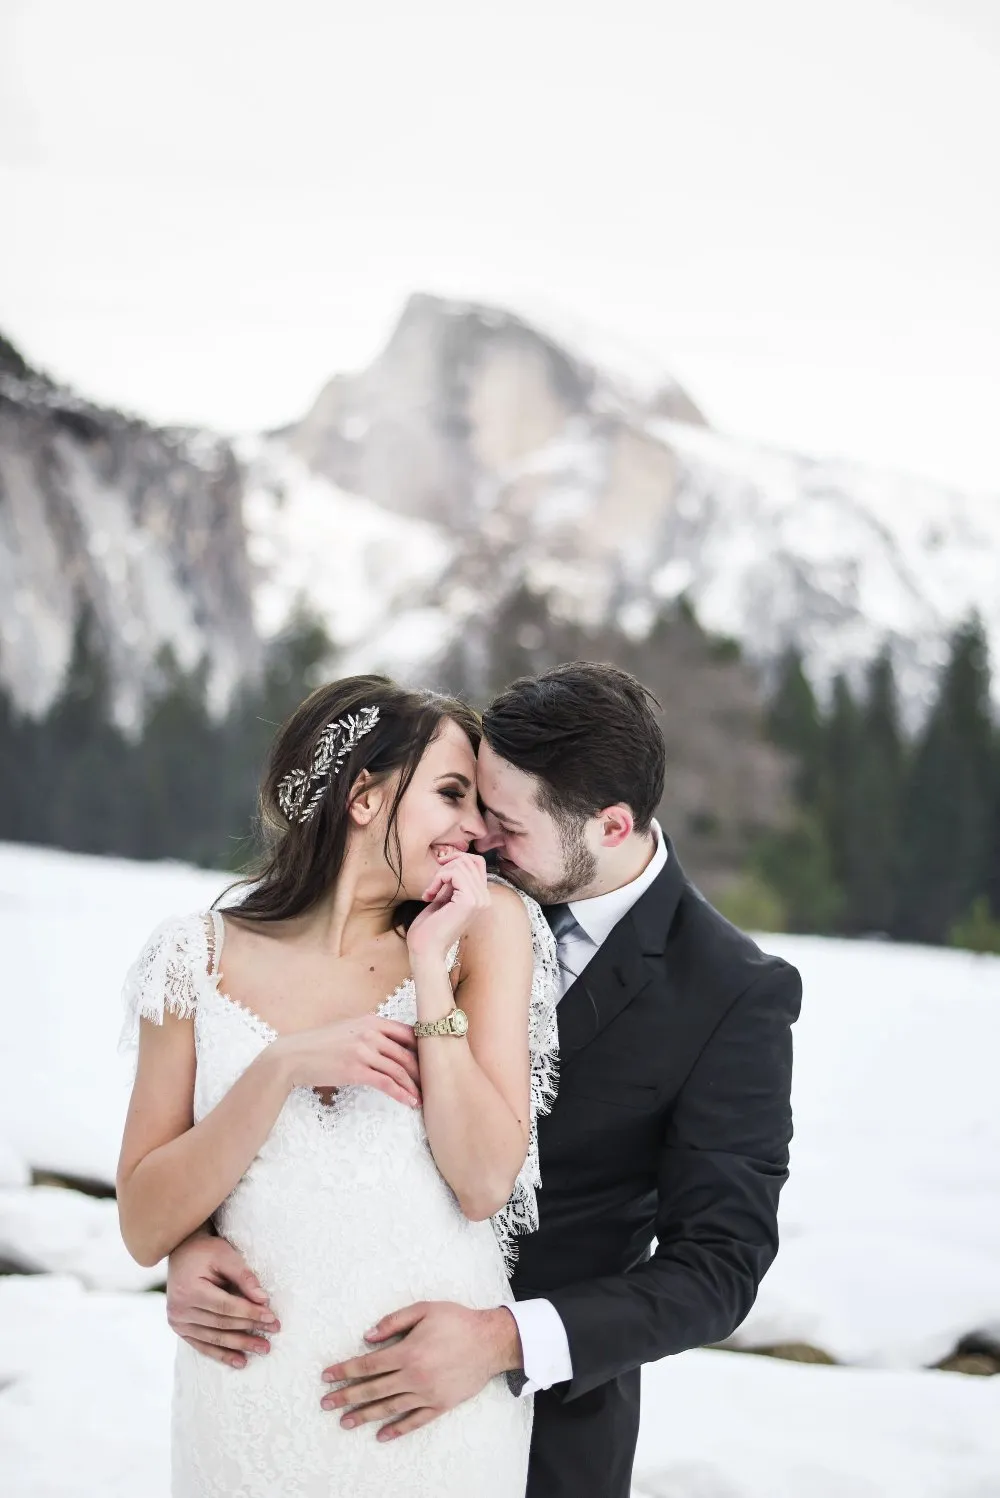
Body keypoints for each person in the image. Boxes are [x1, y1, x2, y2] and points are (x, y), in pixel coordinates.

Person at [166, 661, 802, 1498]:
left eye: (504, 820)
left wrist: (506, 1340)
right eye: (470, 801)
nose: (477, 839)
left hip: (546, 1432)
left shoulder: (729, 992)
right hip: (314, 1384)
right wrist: (201, 1239)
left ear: (610, 826)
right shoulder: (421, 886)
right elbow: (276, 1070)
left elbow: (720, 1266)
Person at [116, 675, 560, 1498]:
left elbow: (482, 1180)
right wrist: (278, 1069)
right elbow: (144, 1226)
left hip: (428, 1422)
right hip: (247, 1413)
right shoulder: (192, 956)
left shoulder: (484, 930)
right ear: (363, 795)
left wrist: (429, 969)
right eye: (453, 794)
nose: (478, 832)